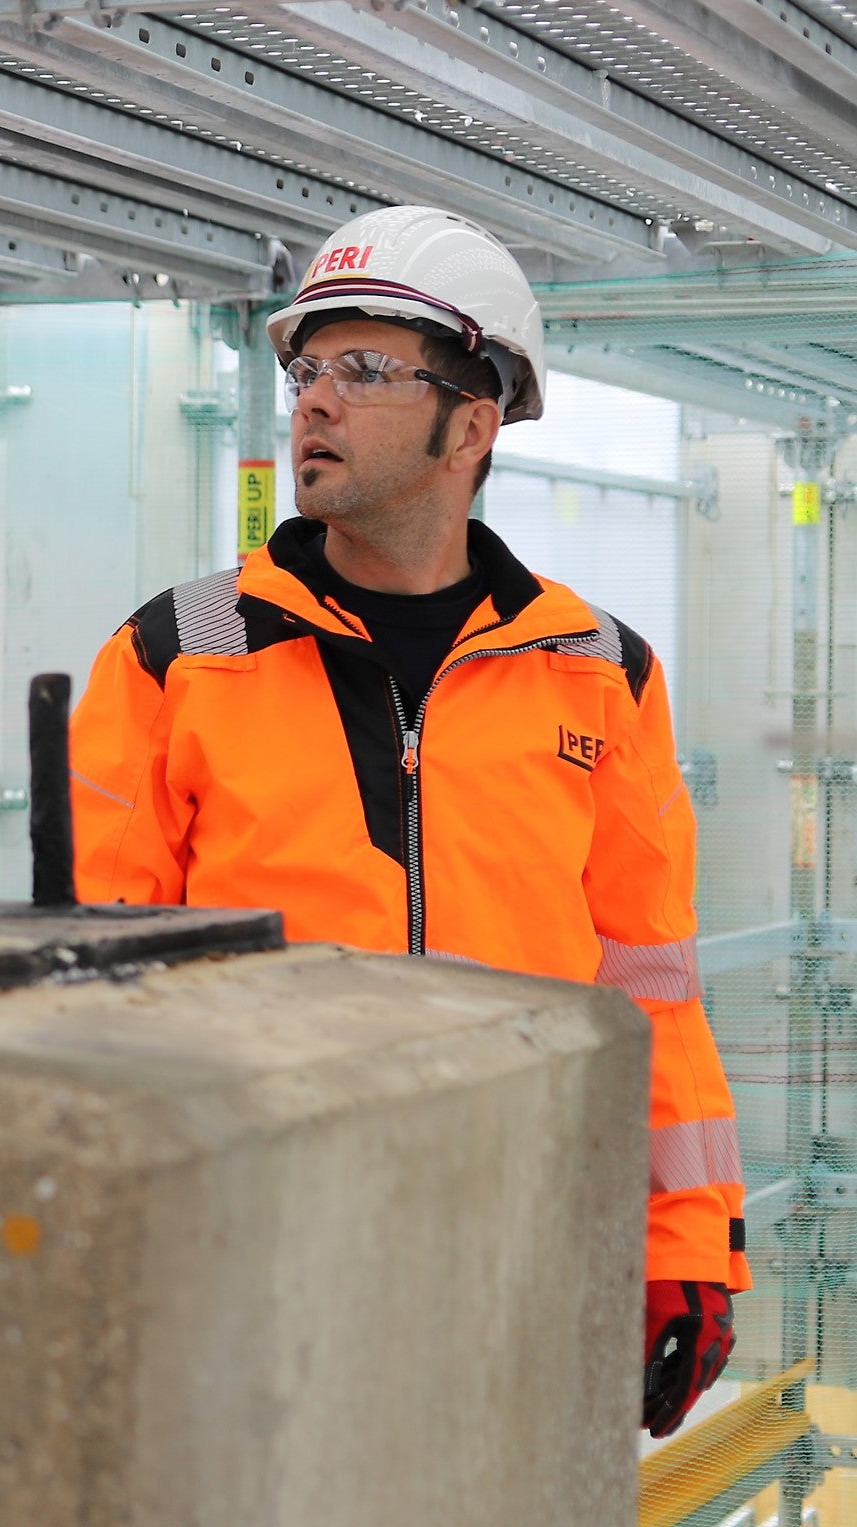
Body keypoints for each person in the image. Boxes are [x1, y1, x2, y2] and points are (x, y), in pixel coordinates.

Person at [70, 204, 744, 1439]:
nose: (314, 401)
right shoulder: (178, 654)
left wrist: (690, 1242)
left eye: (366, 370)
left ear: (471, 426)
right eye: (306, 367)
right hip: (255, 1250)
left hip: (526, 1243)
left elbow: (651, 983)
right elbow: (95, 988)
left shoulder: (600, 673)